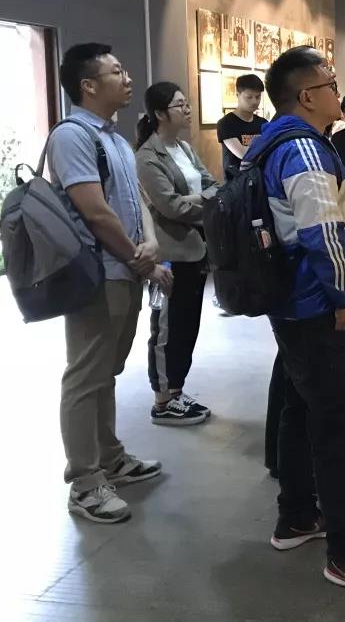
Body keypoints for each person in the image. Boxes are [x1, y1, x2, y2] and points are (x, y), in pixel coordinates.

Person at [248, 46, 345, 599]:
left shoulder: (275, 141)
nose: (340, 91)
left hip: (294, 304)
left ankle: (296, 515)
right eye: (331, 84)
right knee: (336, 426)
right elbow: (322, 231)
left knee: (299, 407)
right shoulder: (305, 150)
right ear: (307, 96)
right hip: (316, 305)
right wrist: (344, 295)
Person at [49, 43, 171, 523]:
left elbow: (138, 201)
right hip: (97, 276)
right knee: (85, 377)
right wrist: (143, 263)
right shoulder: (72, 136)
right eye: (117, 72)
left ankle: (110, 457)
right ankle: (84, 481)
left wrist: (152, 242)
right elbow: (95, 212)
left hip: (124, 271)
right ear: (88, 85)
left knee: (104, 372)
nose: (128, 78)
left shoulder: (115, 139)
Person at [135, 82, 219, 427]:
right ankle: (162, 399)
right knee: (166, 327)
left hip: (196, 249)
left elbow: (213, 185)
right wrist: (204, 202)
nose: (187, 110)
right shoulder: (147, 157)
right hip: (170, 254)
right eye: (179, 105)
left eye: (187, 103)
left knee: (187, 325)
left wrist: (197, 200)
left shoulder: (184, 147)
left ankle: (176, 390)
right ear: (159, 113)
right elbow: (170, 206)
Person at [216, 73, 268, 181]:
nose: (254, 101)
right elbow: (243, 154)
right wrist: (264, 149)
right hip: (237, 184)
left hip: (260, 181)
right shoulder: (226, 123)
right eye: (249, 97)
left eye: (258, 97)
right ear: (237, 94)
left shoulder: (263, 123)